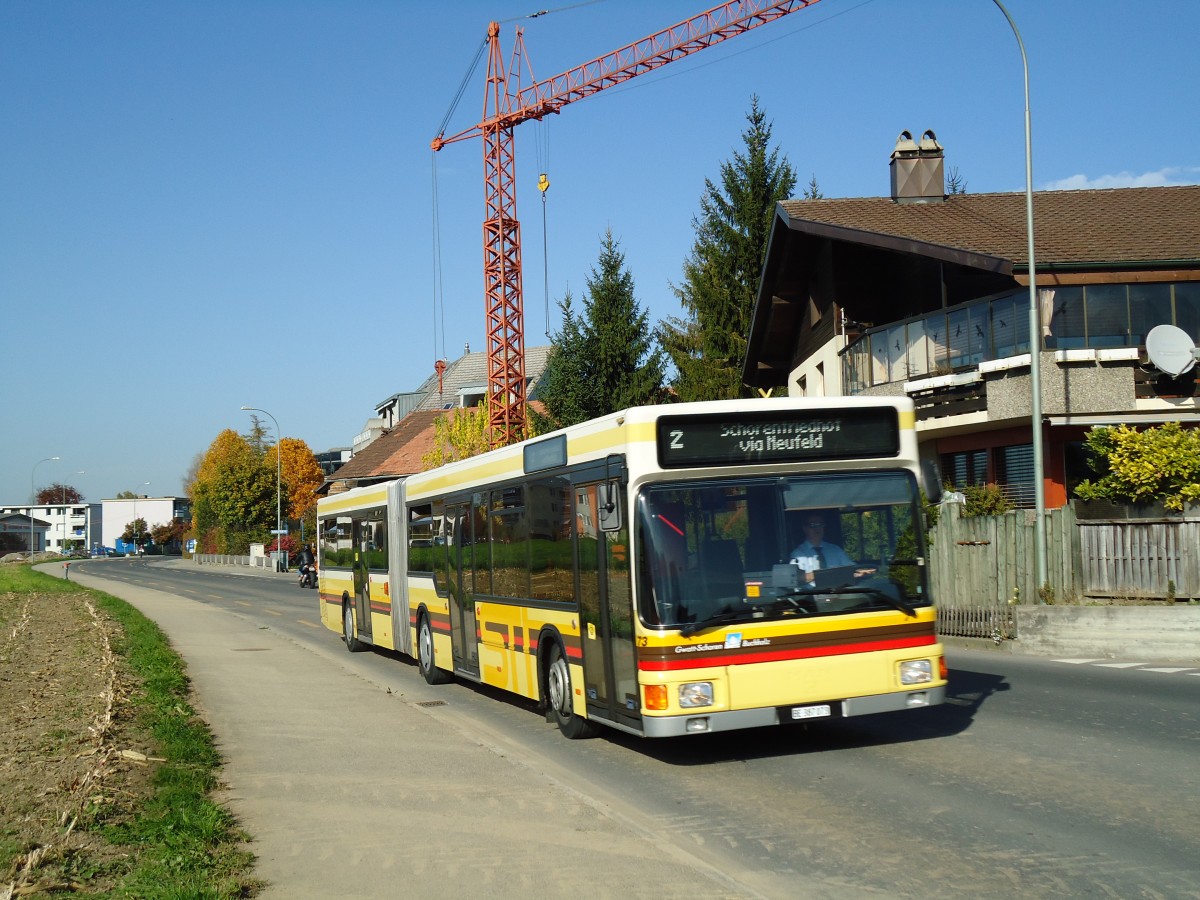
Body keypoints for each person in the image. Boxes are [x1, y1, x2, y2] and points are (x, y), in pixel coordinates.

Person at [789, 514, 874, 584]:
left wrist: (862, 571)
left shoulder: (835, 550)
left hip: (840, 595)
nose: (817, 529)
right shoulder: (798, 554)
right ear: (805, 528)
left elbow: (851, 568)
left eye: (820, 524)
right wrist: (825, 574)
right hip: (810, 598)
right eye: (813, 525)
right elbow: (796, 579)